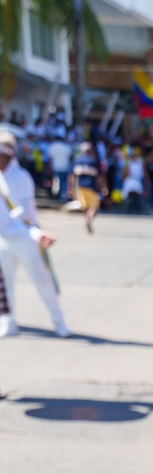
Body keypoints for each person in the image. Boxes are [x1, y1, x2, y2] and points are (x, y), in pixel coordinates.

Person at [0, 129, 67, 337]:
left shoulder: (21, 177)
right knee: (5, 286)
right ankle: (8, 323)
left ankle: (59, 321)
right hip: (3, 240)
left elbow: (28, 216)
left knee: (43, 281)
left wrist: (37, 234)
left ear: (10, 154)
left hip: (25, 237)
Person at [70, 141, 104, 235]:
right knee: (94, 207)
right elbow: (99, 176)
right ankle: (89, 220)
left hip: (80, 187)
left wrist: (71, 188)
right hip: (91, 187)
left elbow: (72, 176)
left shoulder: (77, 160)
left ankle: (87, 219)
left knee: (85, 206)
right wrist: (103, 187)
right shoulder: (94, 161)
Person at [47, 131, 72, 198]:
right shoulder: (66, 146)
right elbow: (70, 157)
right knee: (64, 182)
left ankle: (56, 194)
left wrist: (49, 167)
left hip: (55, 166)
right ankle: (63, 195)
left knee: (56, 181)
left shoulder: (52, 146)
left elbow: (50, 158)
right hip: (65, 166)